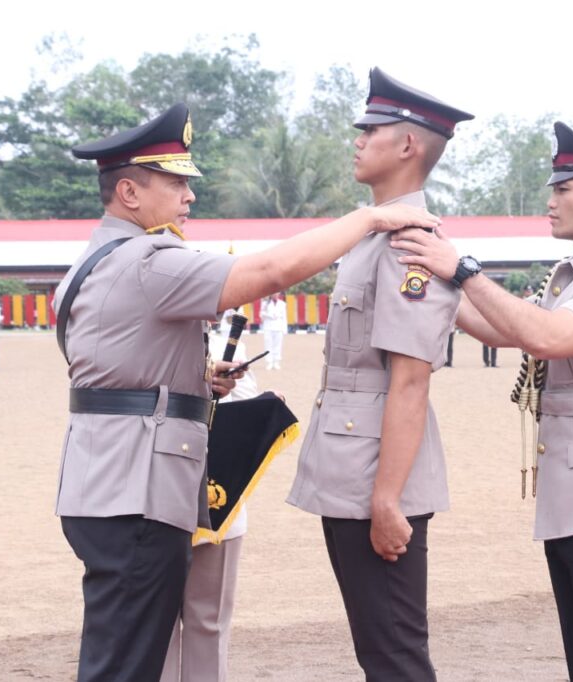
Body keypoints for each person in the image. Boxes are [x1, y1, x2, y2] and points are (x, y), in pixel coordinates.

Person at [56, 102, 438, 682]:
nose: (189, 196)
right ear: (129, 192)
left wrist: (194, 380)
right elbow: (267, 273)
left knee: (120, 647)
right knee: (126, 663)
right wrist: (367, 219)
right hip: (137, 488)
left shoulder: (95, 257)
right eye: (176, 184)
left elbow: (114, 363)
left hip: (102, 479)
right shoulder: (149, 259)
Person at [391, 120, 573, 681]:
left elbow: (544, 336)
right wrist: (432, 274)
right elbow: (502, 329)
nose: (550, 201)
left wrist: (462, 270)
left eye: (563, 189)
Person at [286, 67, 473, 681]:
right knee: (379, 649)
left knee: (395, 654)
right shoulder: (375, 233)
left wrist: (388, 498)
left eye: (371, 130)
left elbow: (411, 379)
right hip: (353, 465)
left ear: (408, 144)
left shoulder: (409, 241)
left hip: (376, 476)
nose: (358, 140)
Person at [160, 334, 258, 682]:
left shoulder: (229, 346)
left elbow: (246, 419)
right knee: (156, 627)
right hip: (154, 502)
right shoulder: (146, 336)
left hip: (217, 508)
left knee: (209, 624)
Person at [260, 292, 287, 369]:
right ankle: (269, 362)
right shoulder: (265, 303)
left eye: (277, 293)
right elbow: (261, 314)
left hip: (278, 327)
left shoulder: (282, 304)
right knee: (268, 345)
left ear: (279, 294)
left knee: (278, 345)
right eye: (274, 293)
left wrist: (284, 329)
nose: (275, 295)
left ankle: (276, 362)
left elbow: (284, 317)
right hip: (268, 327)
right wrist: (269, 315)